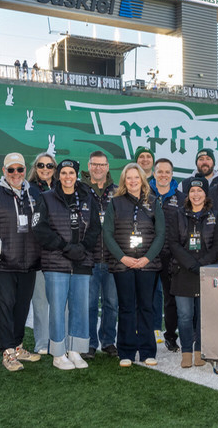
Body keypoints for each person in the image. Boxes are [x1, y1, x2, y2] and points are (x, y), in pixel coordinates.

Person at [0, 152, 43, 371]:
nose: (16, 174)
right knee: (4, 308)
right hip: (3, 264)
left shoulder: (33, 192)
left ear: (26, 170)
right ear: (4, 172)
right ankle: (7, 352)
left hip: (29, 263)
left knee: (22, 308)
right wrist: (2, 250)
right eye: (11, 169)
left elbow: (40, 224)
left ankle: (17, 347)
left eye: (20, 169)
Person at [32, 159, 98, 369]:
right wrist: (64, 247)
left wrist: (82, 248)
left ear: (76, 175)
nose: (68, 177)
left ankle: (75, 350)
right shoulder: (46, 197)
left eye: (71, 173)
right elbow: (39, 229)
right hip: (56, 262)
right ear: (58, 175)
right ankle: (58, 353)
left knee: (80, 308)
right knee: (58, 309)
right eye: (63, 173)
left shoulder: (88, 197)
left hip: (81, 261)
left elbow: (96, 228)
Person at [104, 164, 166, 367]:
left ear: (142, 180)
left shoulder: (153, 202)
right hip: (123, 265)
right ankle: (126, 351)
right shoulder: (115, 203)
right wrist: (123, 258)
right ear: (124, 181)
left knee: (146, 306)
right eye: (128, 178)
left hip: (147, 264)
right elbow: (107, 234)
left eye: (136, 178)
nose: (132, 181)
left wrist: (147, 258)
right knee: (127, 307)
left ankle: (148, 351)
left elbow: (161, 234)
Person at [168, 178, 218, 367]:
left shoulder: (215, 215)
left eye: (199, 191)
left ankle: (200, 350)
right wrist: (191, 263)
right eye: (192, 191)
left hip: (206, 272)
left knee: (203, 315)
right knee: (184, 315)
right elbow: (173, 243)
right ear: (187, 194)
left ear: (205, 194)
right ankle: (186, 351)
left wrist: (203, 263)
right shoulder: (178, 215)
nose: (196, 194)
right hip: (183, 272)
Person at [86, 151, 119, 358]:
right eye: (94, 164)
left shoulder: (117, 192)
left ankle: (108, 341)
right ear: (89, 166)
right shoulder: (80, 190)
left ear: (108, 167)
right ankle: (89, 343)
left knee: (111, 304)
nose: (98, 168)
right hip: (88, 259)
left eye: (102, 165)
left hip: (112, 259)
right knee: (88, 304)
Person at [150, 158, 183, 353]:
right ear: (154, 173)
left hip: (171, 256)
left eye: (167, 172)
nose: (163, 175)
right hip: (148, 255)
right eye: (160, 171)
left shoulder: (180, 198)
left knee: (171, 299)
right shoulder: (144, 194)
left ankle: (171, 336)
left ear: (172, 174)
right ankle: (144, 335)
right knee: (145, 297)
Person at [25, 152, 55, 355]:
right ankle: (42, 342)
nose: (45, 169)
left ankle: (59, 339)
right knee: (40, 301)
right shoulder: (28, 189)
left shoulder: (63, 188)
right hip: (38, 253)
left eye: (49, 165)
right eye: (41, 165)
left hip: (60, 254)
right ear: (35, 167)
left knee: (62, 302)